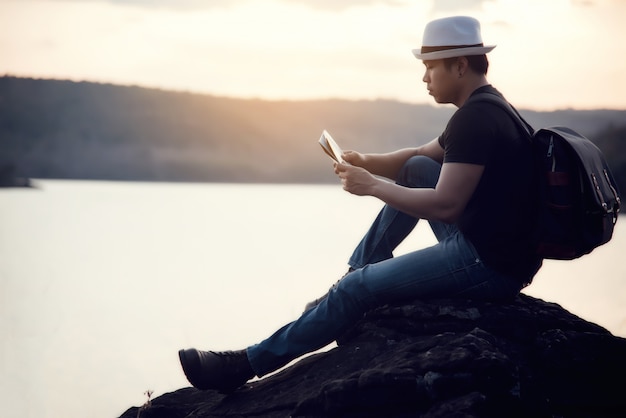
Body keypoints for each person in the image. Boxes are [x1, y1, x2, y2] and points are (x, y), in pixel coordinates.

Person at [178, 15, 543, 393]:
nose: (424, 78)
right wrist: (366, 161)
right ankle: (354, 274)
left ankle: (245, 364)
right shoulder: (488, 107)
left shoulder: (476, 119)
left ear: (460, 65)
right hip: (495, 248)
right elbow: (419, 156)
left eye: (430, 67)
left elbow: (446, 205)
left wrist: (371, 186)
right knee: (419, 167)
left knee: (358, 290)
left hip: (487, 263)